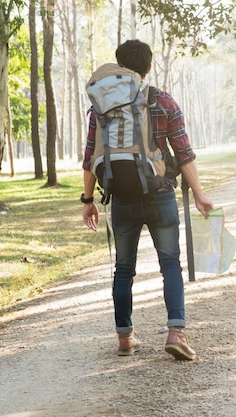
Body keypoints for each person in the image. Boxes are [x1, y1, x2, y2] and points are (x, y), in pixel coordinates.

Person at [81, 39, 213, 360]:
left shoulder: (103, 106)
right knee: (170, 265)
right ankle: (176, 333)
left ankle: (125, 338)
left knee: (123, 269)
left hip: (122, 198)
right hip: (161, 194)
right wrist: (198, 194)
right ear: (149, 66)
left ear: (120, 66)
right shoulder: (163, 101)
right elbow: (184, 154)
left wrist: (88, 200)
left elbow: (90, 157)